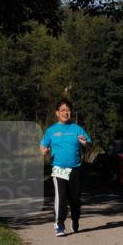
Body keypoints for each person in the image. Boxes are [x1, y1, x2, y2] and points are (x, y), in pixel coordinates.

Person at [40, 98, 92, 236]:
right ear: (57, 113)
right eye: (62, 110)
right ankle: (59, 225)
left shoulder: (77, 129)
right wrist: (44, 151)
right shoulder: (51, 130)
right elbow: (43, 145)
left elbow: (89, 143)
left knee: (75, 199)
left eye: (68, 110)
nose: (65, 112)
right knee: (60, 197)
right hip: (59, 168)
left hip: (75, 169)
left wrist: (84, 143)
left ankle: (75, 219)